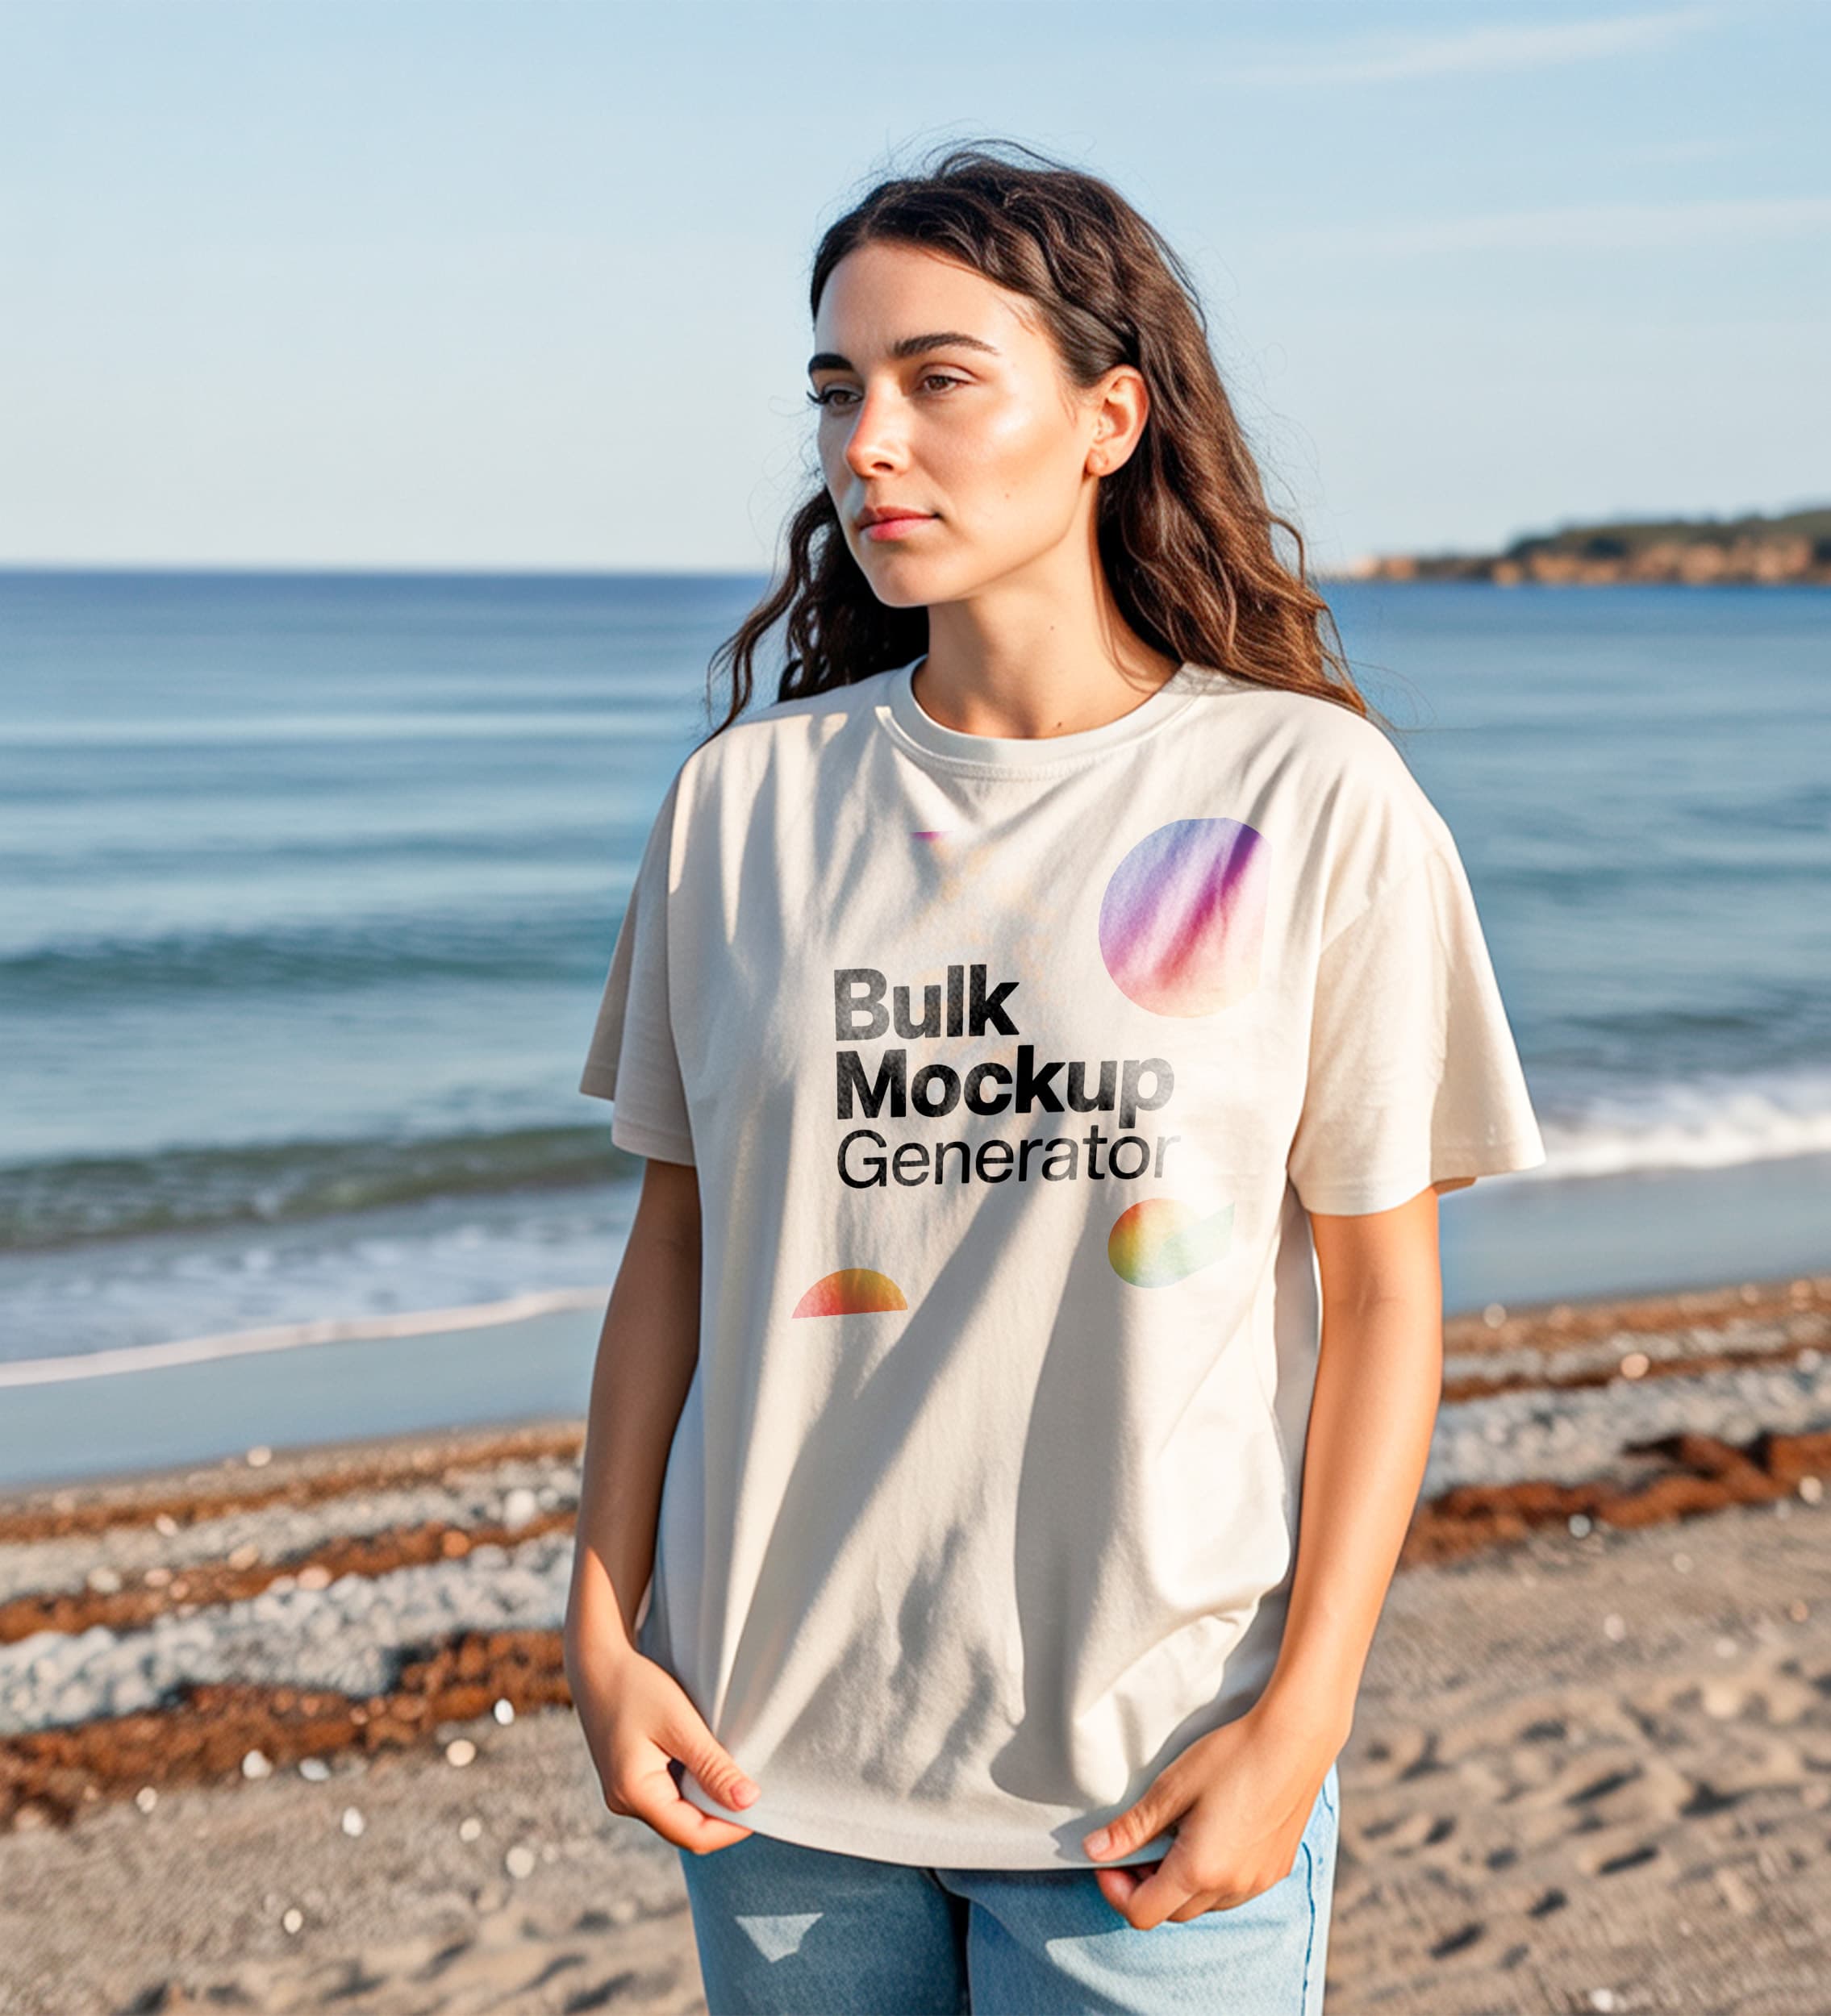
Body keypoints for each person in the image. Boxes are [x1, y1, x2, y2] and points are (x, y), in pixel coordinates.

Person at [563, 139, 1547, 2016]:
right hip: (769, 1767)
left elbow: (1384, 1298)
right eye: (838, 391)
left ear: (1109, 416)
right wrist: (602, 1629)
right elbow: (671, 1253)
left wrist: (1301, 1713)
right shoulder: (742, 806)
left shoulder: (1304, 796)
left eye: (939, 380)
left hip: (1148, 1774)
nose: (868, 442)